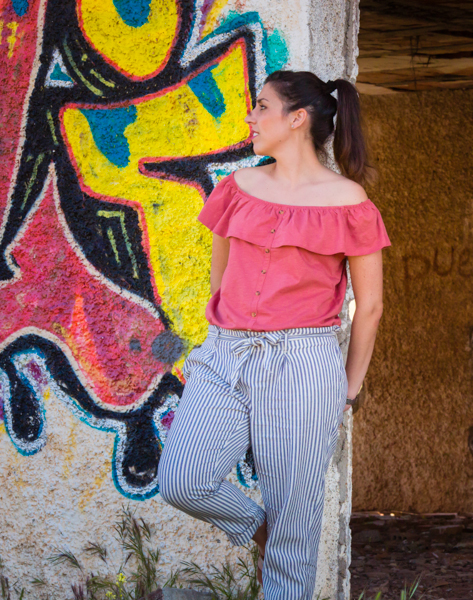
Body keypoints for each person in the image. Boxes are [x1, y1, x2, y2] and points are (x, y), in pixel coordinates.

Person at [157, 71, 389, 600]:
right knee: (184, 479)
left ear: (297, 119)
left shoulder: (349, 200)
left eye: (261, 107)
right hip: (226, 353)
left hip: (305, 361)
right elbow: (220, 277)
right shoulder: (236, 188)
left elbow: (369, 307)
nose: (250, 117)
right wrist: (225, 337)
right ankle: (264, 529)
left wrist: (347, 390)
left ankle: (283, 543)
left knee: (296, 523)